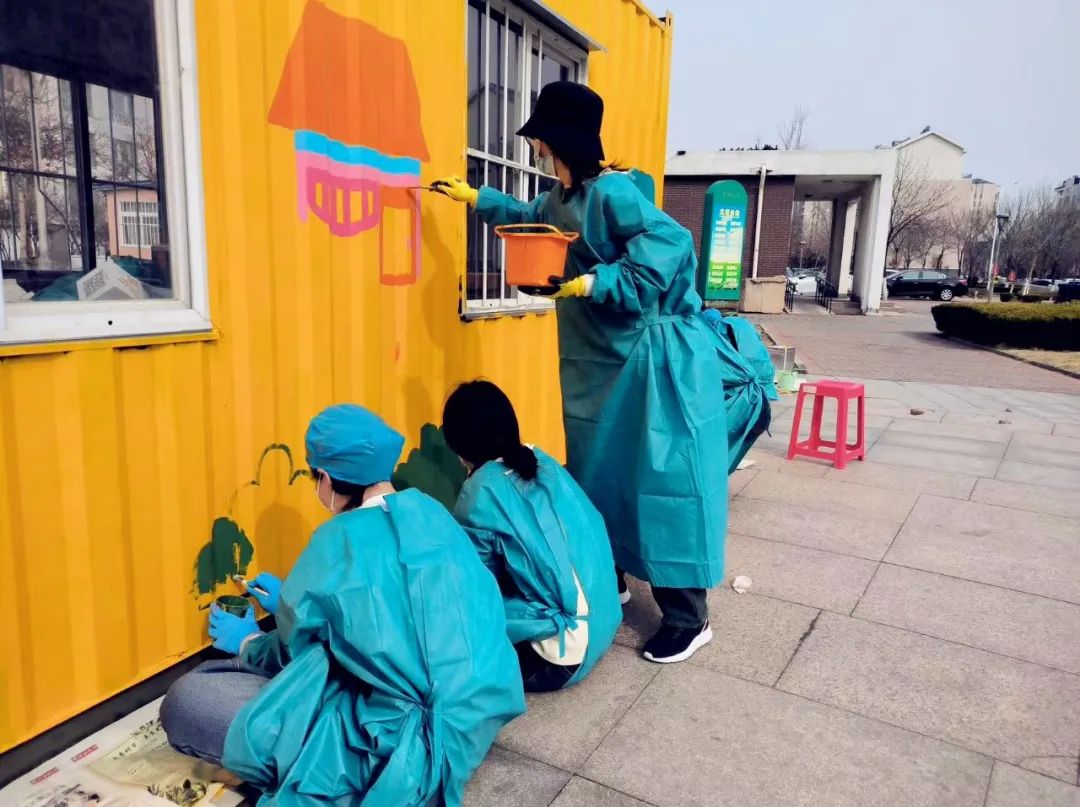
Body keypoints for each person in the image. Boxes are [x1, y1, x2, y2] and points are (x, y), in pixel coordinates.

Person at [433, 82, 728, 663]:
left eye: (539, 136)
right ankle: (609, 575)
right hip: (597, 362)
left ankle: (688, 617)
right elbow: (530, 221)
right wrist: (476, 197)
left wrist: (595, 282)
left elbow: (670, 243)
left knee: (661, 482)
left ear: (555, 139)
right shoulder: (559, 197)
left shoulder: (613, 192)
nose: (534, 145)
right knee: (600, 476)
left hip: (649, 360)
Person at [160, 404, 526, 807]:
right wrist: (291, 601)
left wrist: (248, 640)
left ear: (326, 479)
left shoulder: (335, 542)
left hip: (398, 748)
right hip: (476, 717)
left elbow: (292, 654)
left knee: (188, 700)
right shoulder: (431, 511)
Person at [441, 380, 621, 692]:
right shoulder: (541, 459)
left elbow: (474, 585)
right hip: (605, 619)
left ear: (459, 447)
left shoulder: (479, 493)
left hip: (559, 660)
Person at [701, 309, 776, 473]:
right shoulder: (741, 325)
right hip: (760, 384)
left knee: (722, 429)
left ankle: (721, 462)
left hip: (744, 389)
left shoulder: (718, 333)